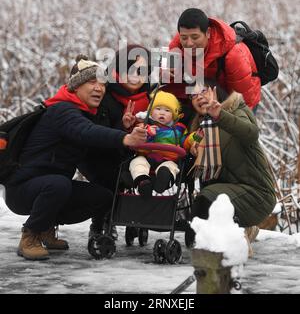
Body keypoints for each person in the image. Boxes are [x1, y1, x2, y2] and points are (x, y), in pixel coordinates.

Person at [4, 56, 147, 261]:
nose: (99, 88)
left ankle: (46, 227)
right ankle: (30, 236)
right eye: (92, 82)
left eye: (102, 84)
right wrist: (125, 138)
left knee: (103, 197)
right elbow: (86, 131)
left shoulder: (84, 114)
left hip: (50, 187)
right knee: (58, 185)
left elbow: (96, 137)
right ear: (75, 86)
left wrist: (123, 130)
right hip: (22, 190)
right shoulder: (62, 110)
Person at [185, 79, 276, 247]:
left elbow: (251, 133)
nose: (198, 97)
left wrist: (220, 115)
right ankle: (240, 229)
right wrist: (193, 150)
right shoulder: (201, 128)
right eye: (193, 95)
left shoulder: (236, 110)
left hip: (257, 194)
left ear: (216, 90)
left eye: (203, 91)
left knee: (205, 201)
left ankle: (234, 235)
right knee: (204, 200)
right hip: (227, 192)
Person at [78, 45, 152, 238]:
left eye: (142, 71)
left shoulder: (151, 97)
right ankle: (102, 221)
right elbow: (99, 135)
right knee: (110, 174)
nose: (135, 76)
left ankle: (138, 216)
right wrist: (123, 126)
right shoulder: (106, 95)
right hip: (105, 154)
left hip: (141, 154)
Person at [167, 8, 261, 112]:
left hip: (241, 100)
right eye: (184, 38)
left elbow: (240, 103)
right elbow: (170, 88)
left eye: (195, 37)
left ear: (208, 33)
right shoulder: (177, 48)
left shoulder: (234, 55)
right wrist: (163, 74)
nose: (189, 43)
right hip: (206, 99)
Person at [126, 91, 190, 198]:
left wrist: (194, 138)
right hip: (147, 157)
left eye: (167, 110)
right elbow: (136, 142)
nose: (162, 113)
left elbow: (185, 142)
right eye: (158, 109)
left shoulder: (179, 128)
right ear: (150, 112)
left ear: (174, 115)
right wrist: (148, 134)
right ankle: (142, 182)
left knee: (171, 167)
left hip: (168, 159)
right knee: (137, 162)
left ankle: (165, 179)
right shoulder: (144, 126)